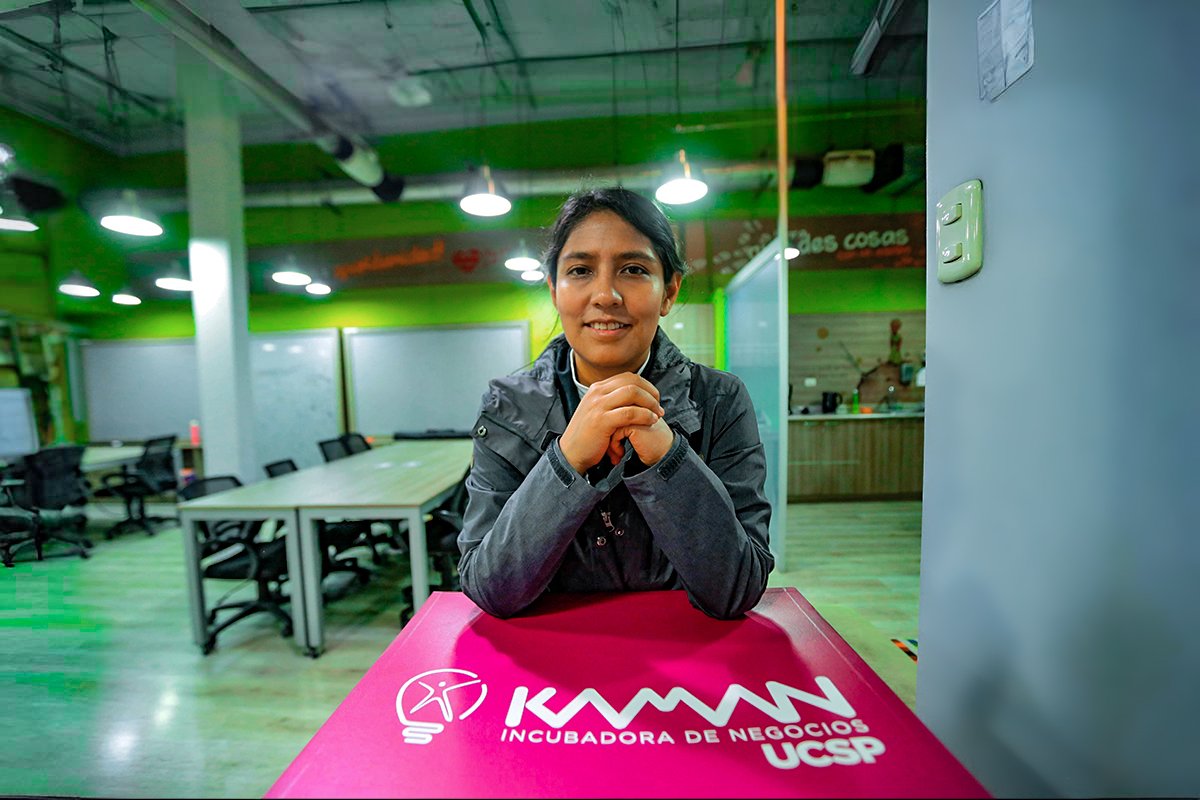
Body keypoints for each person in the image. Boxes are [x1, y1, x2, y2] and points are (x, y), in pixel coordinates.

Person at [457, 187, 773, 619]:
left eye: (633, 269)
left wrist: (667, 455)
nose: (605, 295)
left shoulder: (719, 400)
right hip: (551, 652)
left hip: (686, 652)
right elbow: (490, 589)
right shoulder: (507, 409)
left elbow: (738, 588)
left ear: (669, 292)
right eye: (580, 270)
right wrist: (567, 460)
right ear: (554, 290)